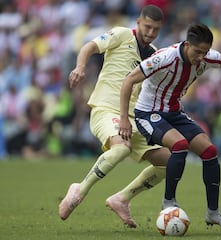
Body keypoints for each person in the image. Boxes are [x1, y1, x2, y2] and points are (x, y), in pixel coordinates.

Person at [119, 23, 221, 232]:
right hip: (148, 113)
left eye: (205, 52)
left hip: (175, 113)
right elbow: (129, 80)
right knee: (180, 145)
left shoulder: (208, 56)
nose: (201, 57)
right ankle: (169, 202)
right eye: (197, 52)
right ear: (186, 45)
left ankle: (213, 212)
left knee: (210, 151)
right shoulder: (164, 58)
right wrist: (124, 118)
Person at [58, 5, 171, 228]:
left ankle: (121, 199)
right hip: (106, 110)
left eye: (155, 29)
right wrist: (80, 67)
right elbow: (89, 46)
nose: (150, 33)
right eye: (147, 27)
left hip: (134, 119)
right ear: (138, 23)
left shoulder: (156, 55)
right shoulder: (121, 34)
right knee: (121, 148)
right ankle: (79, 191)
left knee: (170, 161)